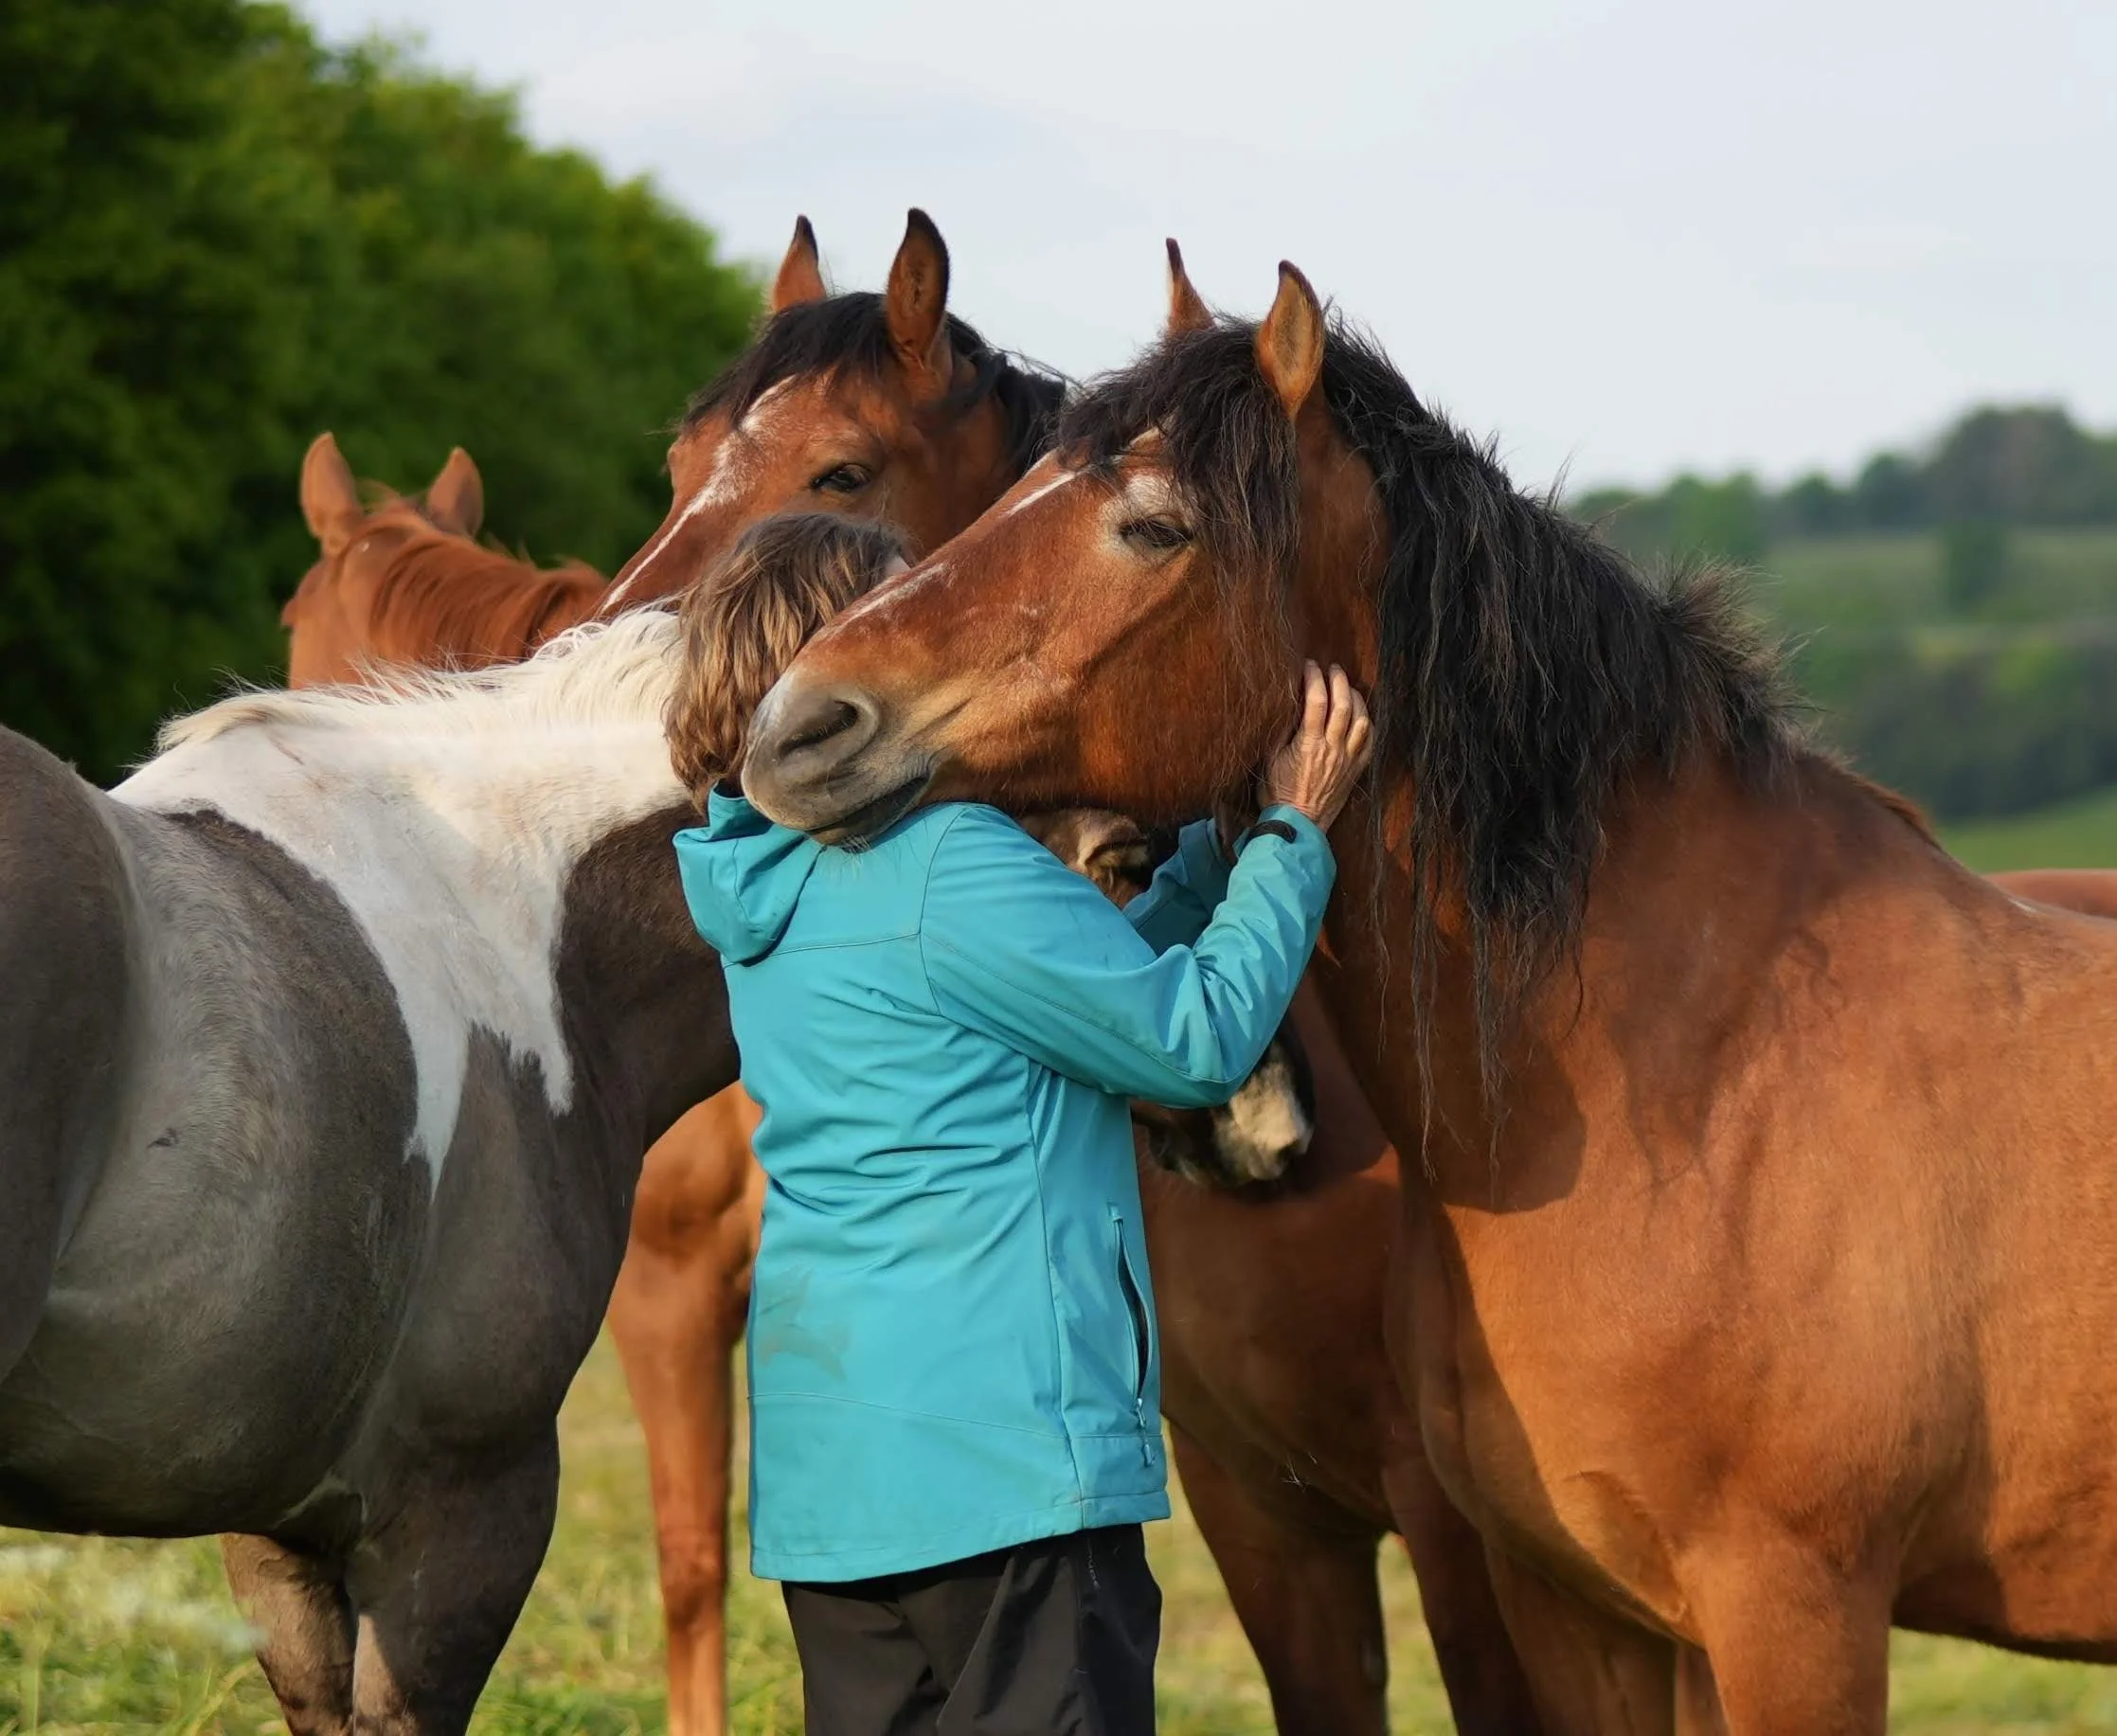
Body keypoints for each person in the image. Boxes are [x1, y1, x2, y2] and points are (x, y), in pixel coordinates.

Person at [667, 511, 1372, 1736]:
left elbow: (1056, 998)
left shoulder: (760, 887)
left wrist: (1217, 852)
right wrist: (1298, 833)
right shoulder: (938, 864)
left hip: (839, 1493)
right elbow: (1189, 1041)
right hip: (1007, 1475)